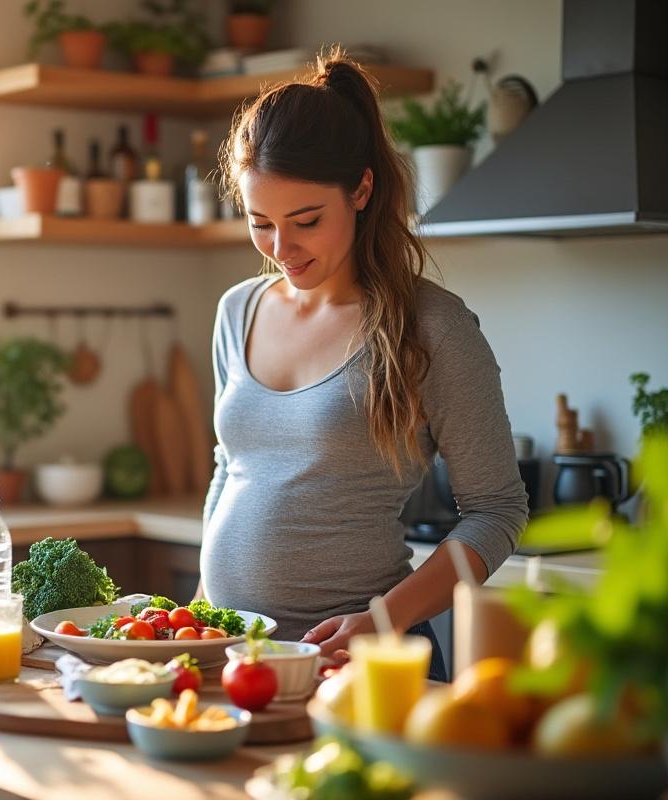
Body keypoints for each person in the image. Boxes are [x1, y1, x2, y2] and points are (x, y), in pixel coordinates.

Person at [198, 51, 528, 682]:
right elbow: (230, 467)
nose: (281, 249)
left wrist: (381, 618)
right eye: (259, 223)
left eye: (306, 221)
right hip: (237, 656)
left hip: (362, 662)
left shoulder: (432, 328)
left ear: (362, 189)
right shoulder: (236, 310)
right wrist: (205, 614)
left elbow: (497, 511)